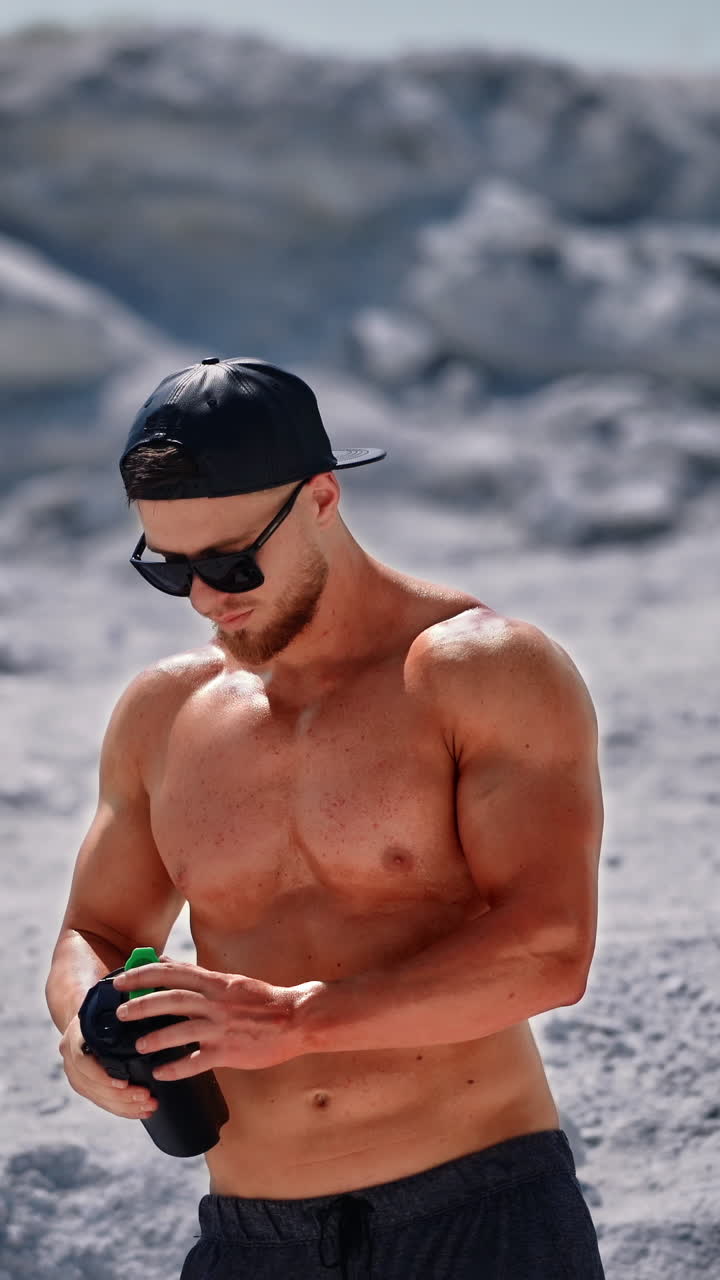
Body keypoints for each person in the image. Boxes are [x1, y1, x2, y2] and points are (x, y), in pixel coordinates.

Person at [45, 357, 606, 1278]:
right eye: (169, 570)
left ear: (321, 499)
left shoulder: (479, 671)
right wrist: (84, 1025)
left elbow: (551, 949)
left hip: (478, 1216)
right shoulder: (164, 713)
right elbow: (95, 931)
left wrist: (299, 1020)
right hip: (254, 1237)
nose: (206, 598)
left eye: (231, 562)